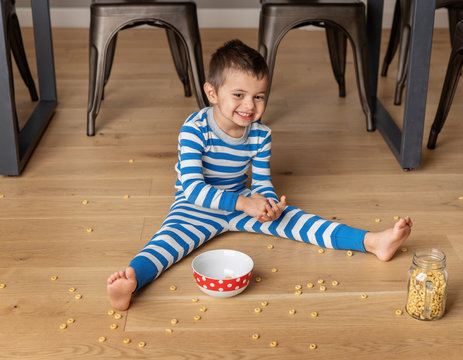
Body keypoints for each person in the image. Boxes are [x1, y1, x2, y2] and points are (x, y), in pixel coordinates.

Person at [107, 39, 412, 311]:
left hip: (244, 204)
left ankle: (372, 242)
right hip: (195, 208)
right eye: (239, 94)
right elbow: (193, 189)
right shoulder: (193, 129)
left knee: (298, 220)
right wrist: (244, 203)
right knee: (166, 244)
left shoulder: (260, 135)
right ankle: (130, 283)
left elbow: (263, 182)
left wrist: (267, 205)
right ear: (212, 93)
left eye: (259, 96)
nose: (249, 106)